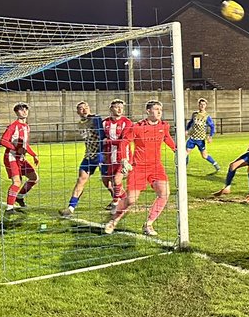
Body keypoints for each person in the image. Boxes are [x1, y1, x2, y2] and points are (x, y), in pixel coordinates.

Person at [105, 100, 177, 235]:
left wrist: (177, 150)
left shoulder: (164, 126)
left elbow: (167, 138)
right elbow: (124, 142)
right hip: (138, 167)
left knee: (164, 193)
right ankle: (113, 221)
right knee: (131, 200)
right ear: (148, 111)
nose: (159, 112)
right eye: (156, 109)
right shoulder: (137, 127)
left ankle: (148, 224)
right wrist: (124, 160)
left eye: (160, 109)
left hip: (156, 167)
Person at [61, 101, 108, 217]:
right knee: (81, 180)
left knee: (108, 182)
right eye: (81, 109)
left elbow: (101, 135)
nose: (84, 110)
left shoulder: (96, 119)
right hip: (88, 156)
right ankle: (71, 207)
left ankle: (118, 200)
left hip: (101, 154)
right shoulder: (80, 124)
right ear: (77, 112)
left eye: (86, 107)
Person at [0, 102, 38, 211]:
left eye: (26, 109)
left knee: (34, 178)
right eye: (21, 110)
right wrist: (16, 148)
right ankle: (9, 208)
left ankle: (19, 197)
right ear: (17, 112)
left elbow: (25, 144)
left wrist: (34, 155)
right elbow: (3, 141)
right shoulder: (13, 126)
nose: (24, 111)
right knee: (17, 182)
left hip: (21, 158)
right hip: (11, 157)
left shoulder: (26, 127)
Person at [102, 99, 133, 213]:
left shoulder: (127, 122)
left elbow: (123, 141)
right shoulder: (105, 123)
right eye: (117, 107)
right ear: (111, 109)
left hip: (124, 156)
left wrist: (108, 141)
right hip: (110, 157)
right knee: (109, 181)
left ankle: (115, 203)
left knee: (117, 179)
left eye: (121, 107)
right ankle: (125, 200)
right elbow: (101, 140)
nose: (120, 109)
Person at [184, 98, 221, 173]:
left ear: (206, 106)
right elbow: (190, 122)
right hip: (192, 138)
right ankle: (184, 167)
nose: (202, 106)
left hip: (200, 139)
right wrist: (187, 130)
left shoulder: (207, 116)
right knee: (186, 152)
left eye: (204, 104)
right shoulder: (194, 114)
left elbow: (212, 126)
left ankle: (215, 164)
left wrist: (210, 136)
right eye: (201, 104)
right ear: (198, 105)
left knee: (204, 156)